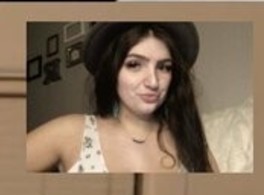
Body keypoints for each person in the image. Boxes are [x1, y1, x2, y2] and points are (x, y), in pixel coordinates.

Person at [26, 22, 216, 174]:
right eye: (134, 65)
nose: (153, 82)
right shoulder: (70, 132)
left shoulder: (188, 139)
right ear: (112, 71)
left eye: (164, 67)